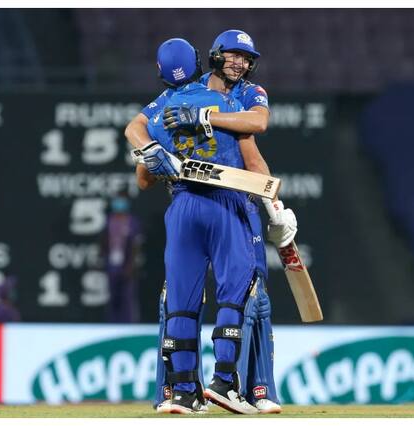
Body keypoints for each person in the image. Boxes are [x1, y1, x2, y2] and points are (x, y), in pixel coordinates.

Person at [126, 31, 296, 414]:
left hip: (183, 206)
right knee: (240, 292)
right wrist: (274, 204)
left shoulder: (170, 105)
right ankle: (224, 383)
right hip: (229, 202)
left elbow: (142, 172)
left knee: (180, 300)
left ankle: (187, 391)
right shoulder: (227, 100)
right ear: (208, 58)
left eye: (245, 58)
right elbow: (253, 156)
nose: (240, 64)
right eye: (233, 55)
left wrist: (154, 149)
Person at [100, 191, 143, 323]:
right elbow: (104, 240)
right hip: (112, 264)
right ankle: (113, 324)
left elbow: (136, 245)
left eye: (122, 201)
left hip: (127, 264)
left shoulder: (132, 222)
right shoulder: (109, 220)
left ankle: (129, 324)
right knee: (113, 297)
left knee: (128, 298)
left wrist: (132, 265)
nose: (119, 204)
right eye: (117, 201)